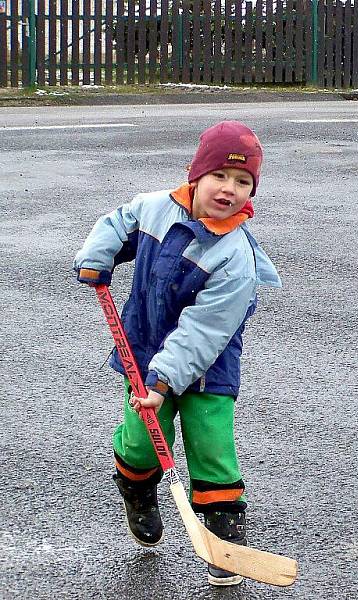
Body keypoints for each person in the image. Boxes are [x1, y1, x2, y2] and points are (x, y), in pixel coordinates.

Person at [74, 120, 281, 585]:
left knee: (213, 446)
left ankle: (224, 538)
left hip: (206, 368)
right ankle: (137, 487)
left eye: (243, 182)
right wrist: (98, 255)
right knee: (143, 441)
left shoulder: (235, 257)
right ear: (195, 174)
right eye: (220, 176)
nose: (230, 189)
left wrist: (162, 382)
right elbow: (117, 223)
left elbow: (203, 332)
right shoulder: (154, 208)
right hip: (142, 352)